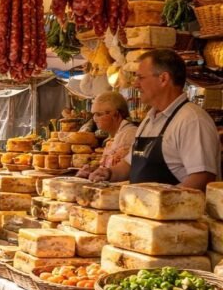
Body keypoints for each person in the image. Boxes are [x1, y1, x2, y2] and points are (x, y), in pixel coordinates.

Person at [91, 49, 219, 189]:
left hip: (173, 209)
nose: (135, 84)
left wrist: (162, 202)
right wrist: (108, 173)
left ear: (163, 79)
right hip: (143, 208)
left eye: (141, 77)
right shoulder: (148, 120)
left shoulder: (192, 120)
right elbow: (130, 165)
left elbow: (203, 177)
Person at [77, 91, 138, 180]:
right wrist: (95, 170)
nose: (94, 119)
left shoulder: (129, 135)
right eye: (93, 115)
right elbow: (111, 167)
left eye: (98, 114)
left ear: (115, 114)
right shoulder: (115, 136)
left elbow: (126, 172)